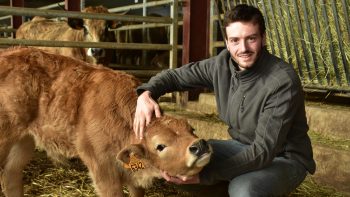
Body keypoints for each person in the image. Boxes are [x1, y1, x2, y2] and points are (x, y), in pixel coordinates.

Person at [133, 4, 316, 197]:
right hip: (242, 146)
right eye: (235, 40)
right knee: (182, 165)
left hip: (284, 158)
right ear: (227, 43)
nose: (243, 48)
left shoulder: (280, 81)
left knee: (244, 189)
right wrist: (146, 94)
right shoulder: (221, 65)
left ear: (263, 38)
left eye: (251, 39)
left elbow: (263, 151)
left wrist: (206, 176)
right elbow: (174, 77)